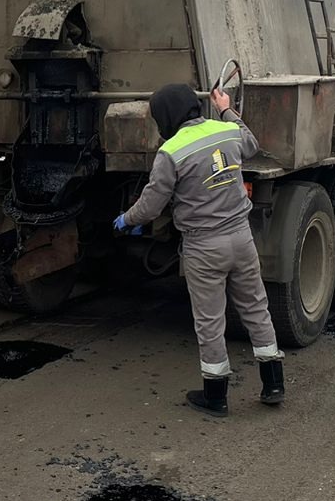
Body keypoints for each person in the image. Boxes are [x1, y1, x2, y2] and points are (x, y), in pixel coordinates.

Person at [117, 82, 284, 416]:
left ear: (166, 116)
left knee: (209, 321)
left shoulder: (172, 152)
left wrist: (126, 219)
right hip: (241, 238)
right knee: (255, 308)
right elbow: (251, 143)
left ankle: (216, 395)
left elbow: (152, 204)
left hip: (204, 247)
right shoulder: (227, 132)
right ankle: (273, 383)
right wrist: (225, 107)